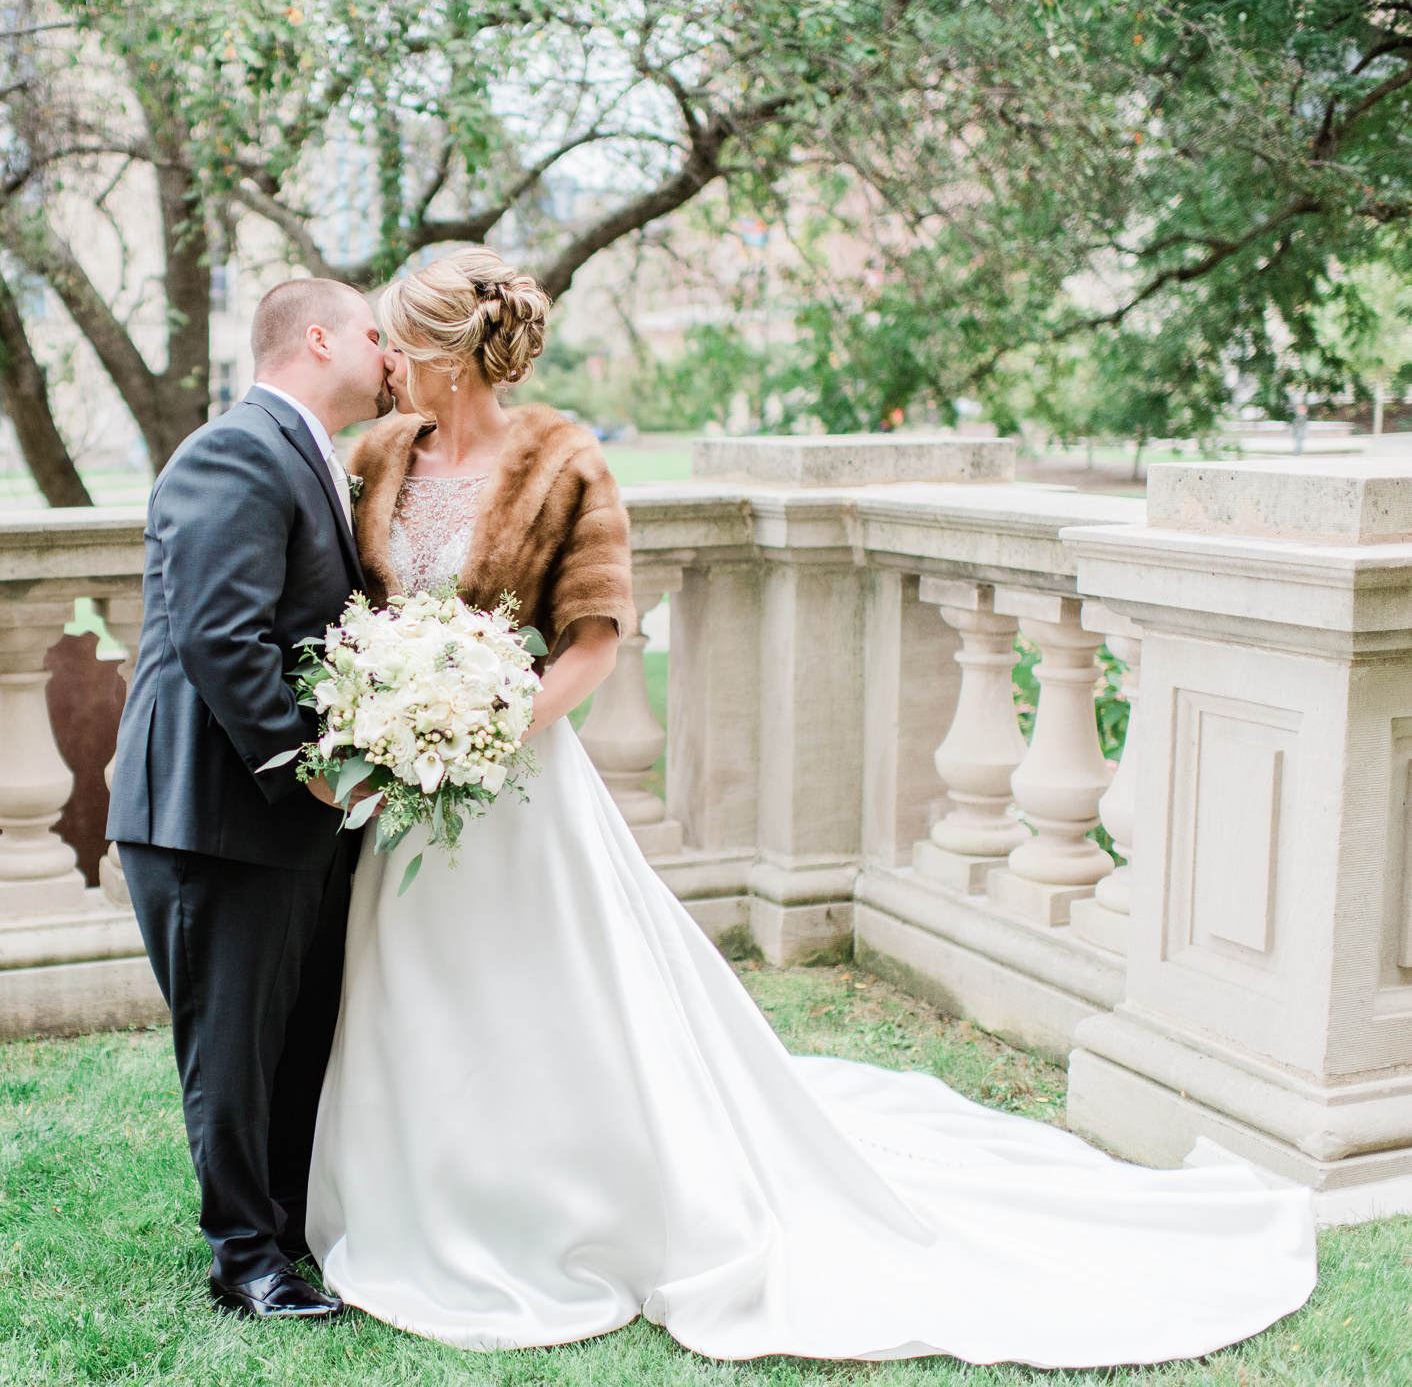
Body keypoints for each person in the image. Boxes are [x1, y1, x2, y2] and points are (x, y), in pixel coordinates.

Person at [306, 247, 1317, 1367]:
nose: (383, 359)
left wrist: (494, 726)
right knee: (420, 984)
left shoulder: (565, 459)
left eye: (397, 339)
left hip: (519, 783)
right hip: (413, 796)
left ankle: (568, 1202)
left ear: (448, 356)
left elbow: (597, 639)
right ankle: (426, 1195)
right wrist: (402, 721)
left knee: (548, 999)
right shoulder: (377, 457)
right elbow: (363, 616)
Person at [106, 277, 395, 1320]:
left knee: (293, 1031)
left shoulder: (313, 457)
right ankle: (244, 1260)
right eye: (374, 333)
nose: (388, 350)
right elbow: (220, 637)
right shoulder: (232, 451)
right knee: (231, 1047)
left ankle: (281, 1226)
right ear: (316, 338)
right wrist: (307, 767)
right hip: (214, 814)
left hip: (289, 815)